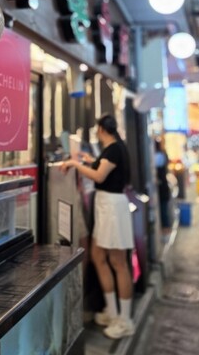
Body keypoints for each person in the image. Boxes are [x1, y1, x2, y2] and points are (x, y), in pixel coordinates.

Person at [60, 113, 135, 339]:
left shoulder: (113, 149)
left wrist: (75, 163)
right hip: (106, 207)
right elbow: (102, 167)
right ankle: (112, 312)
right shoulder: (114, 148)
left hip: (112, 208)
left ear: (102, 129)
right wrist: (87, 159)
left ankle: (125, 320)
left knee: (118, 262)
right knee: (98, 256)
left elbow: (100, 176)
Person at [154, 138, 171, 236]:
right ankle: (166, 228)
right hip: (163, 187)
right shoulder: (162, 155)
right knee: (164, 209)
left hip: (162, 188)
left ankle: (166, 228)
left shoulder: (158, 156)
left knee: (163, 209)